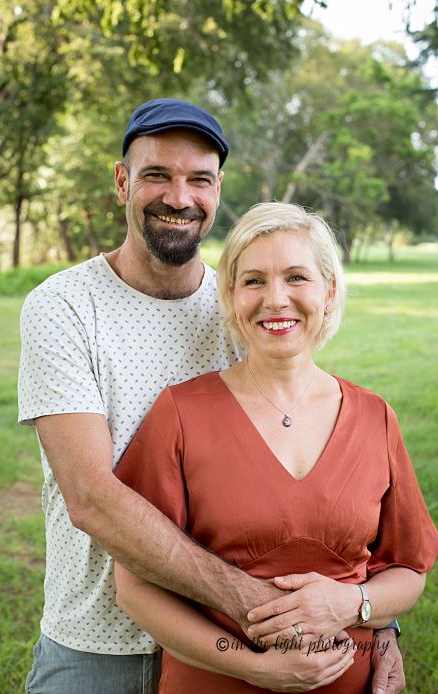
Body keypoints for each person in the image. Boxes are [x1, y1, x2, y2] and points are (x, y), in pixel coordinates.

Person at [17, 98, 404, 694]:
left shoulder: (244, 306)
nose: (179, 196)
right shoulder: (65, 306)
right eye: (156, 175)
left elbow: (336, 488)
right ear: (122, 181)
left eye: (198, 178)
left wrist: (373, 618)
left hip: (225, 648)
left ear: (218, 189)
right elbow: (91, 497)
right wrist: (266, 611)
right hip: (102, 643)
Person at [113, 201, 438, 692]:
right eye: (255, 281)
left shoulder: (375, 416)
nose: (276, 299)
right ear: (231, 296)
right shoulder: (180, 414)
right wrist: (254, 667)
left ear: (328, 292)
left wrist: (354, 605)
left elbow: (408, 570)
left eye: (296, 277)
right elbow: (135, 586)